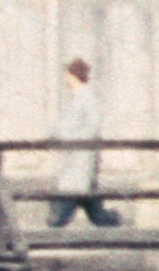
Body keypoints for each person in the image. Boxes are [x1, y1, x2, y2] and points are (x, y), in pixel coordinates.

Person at [47, 56, 117, 230]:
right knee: (96, 213)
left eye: (67, 74)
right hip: (73, 161)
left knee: (65, 207)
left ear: (73, 75)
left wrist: (71, 140)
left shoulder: (87, 98)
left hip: (81, 159)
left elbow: (93, 127)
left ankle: (49, 231)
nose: (65, 78)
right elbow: (63, 126)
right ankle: (115, 223)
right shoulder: (75, 99)